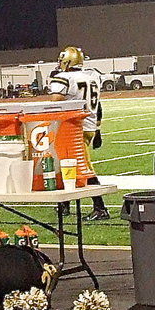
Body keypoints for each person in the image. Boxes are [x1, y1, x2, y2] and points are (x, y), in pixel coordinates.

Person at [35, 46, 112, 220]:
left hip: (74, 129)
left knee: (84, 168)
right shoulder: (91, 77)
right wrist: (97, 128)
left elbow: (55, 102)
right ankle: (64, 205)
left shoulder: (64, 78)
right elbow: (98, 105)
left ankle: (100, 207)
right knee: (65, 164)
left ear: (67, 61)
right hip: (88, 126)